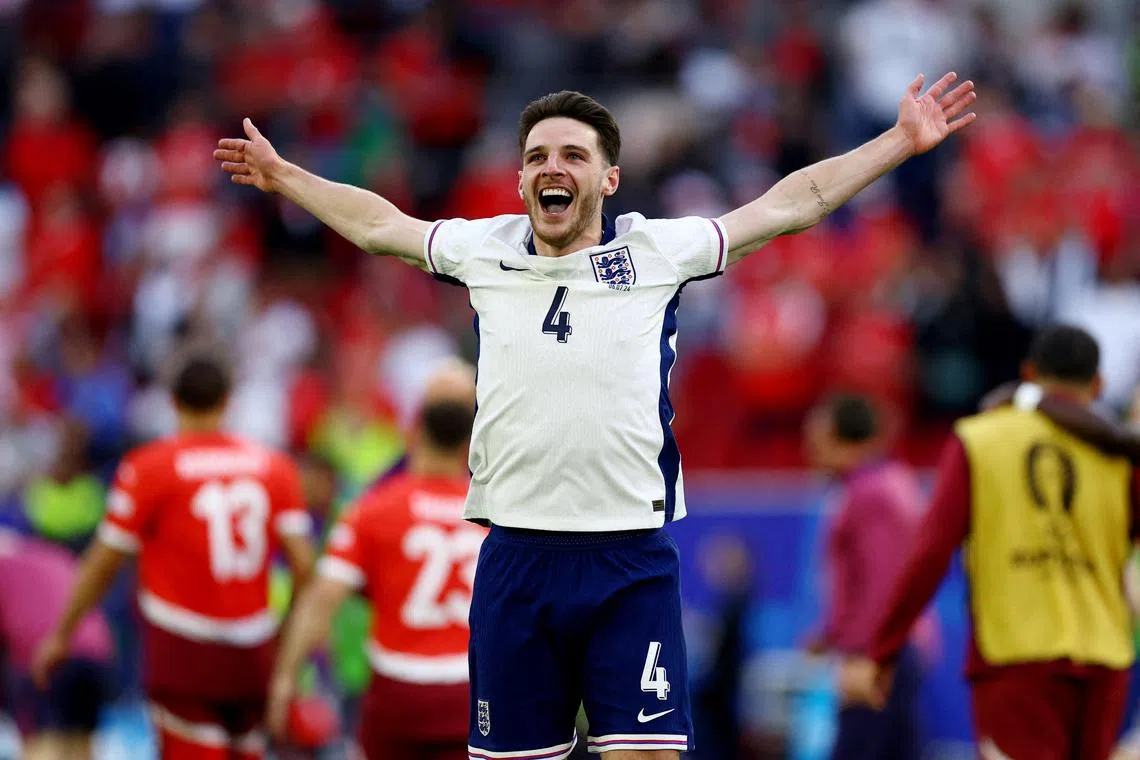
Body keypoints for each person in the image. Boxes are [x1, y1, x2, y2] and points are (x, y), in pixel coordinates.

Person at [214, 73, 976, 759]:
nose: (553, 167)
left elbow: (790, 203)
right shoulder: (483, 248)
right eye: (538, 156)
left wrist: (897, 143)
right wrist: (285, 177)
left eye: (573, 156)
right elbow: (379, 225)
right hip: (516, 558)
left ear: (608, 178)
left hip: (627, 561)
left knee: (646, 755)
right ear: (520, 179)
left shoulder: (658, 251)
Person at [842, 325, 1140, 760]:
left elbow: (930, 553)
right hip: (1104, 661)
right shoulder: (1120, 456)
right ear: (1097, 385)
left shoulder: (979, 439)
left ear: (1029, 373)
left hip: (1016, 658)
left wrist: (883, 650)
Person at [32, 350, 316, 760]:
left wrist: (62, 634)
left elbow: (104, 561)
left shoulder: (149, 468)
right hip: (252, 650)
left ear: (173, 401)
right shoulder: (275, 468)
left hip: (184, 650)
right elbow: (304, 566)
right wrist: (288, 641)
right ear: (227, 401)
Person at [268, 360, 481, 759]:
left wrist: (284, 677)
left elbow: (321, 599)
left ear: (415, 429)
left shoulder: (373, 511)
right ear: (471, 438)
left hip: (395, 690)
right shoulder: (492, 519)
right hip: (467, 690)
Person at [803, 394, 925, 760]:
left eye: (818, 442)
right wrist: (831, 634)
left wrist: (864, 656)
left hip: (878, 654)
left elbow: (882, 585)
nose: (810, 452)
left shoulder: (869, 494)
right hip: (895, 646)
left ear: (843, 440)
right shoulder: (890, 483)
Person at [0, 529, 115, 760]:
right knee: (80, 744)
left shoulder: (5, 568)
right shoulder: (52, 554)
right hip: (97, 652)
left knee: (43, 743)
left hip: (46, 657)